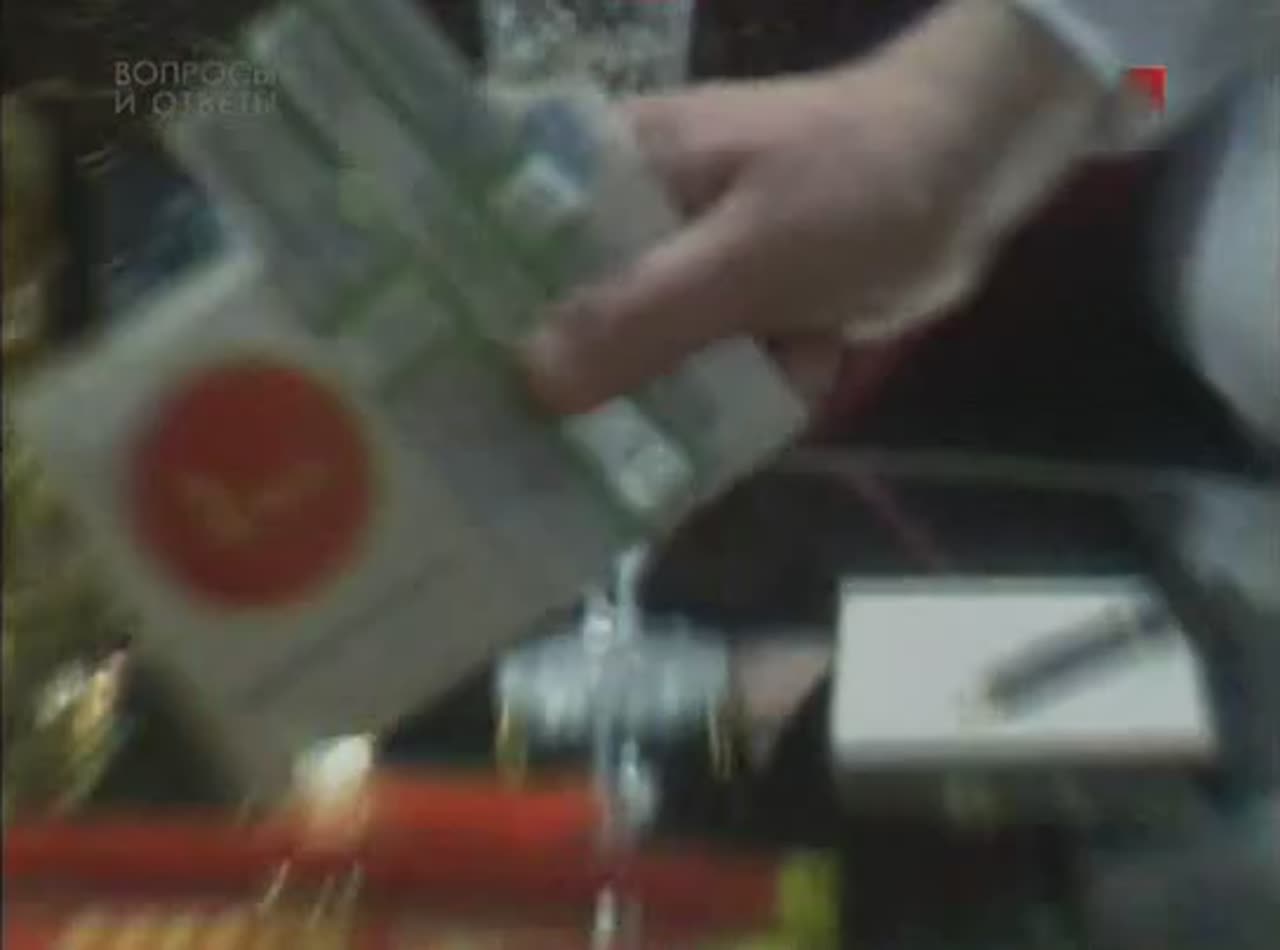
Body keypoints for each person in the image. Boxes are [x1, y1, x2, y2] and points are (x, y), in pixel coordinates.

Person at [520, 0, 1279, 453]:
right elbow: (1160, 75)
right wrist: (1063, 92)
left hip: (1063, 424)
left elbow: (1145, 80)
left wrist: (1008, 93)